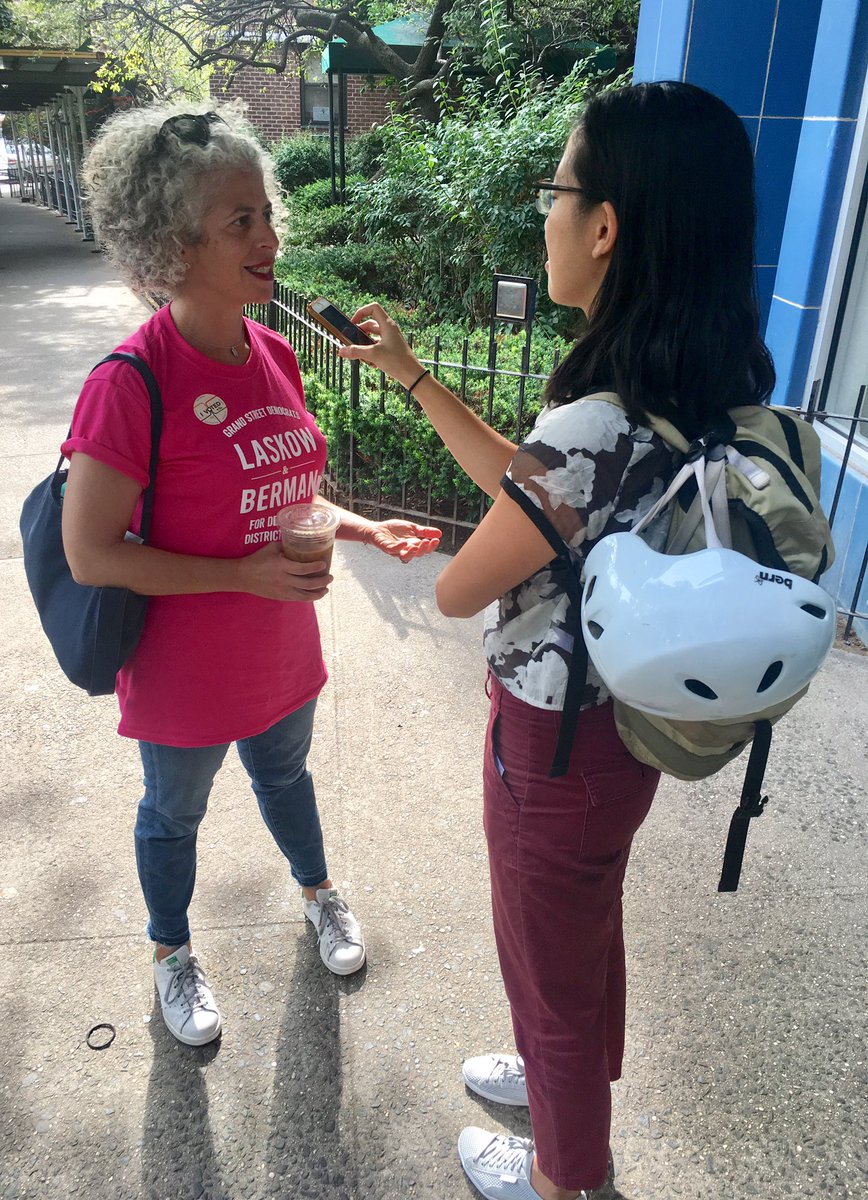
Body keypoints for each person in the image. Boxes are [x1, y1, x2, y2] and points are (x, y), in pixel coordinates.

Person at [337, 82, 776, 1200]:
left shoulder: (594, 422)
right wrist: (417, 380)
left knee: (548, 968)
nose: (546, 213)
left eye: (557, 188)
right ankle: (557, 1075)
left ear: (607, 226)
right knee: (579, 937)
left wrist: (388, 537)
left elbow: (463, 586)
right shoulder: (696, 394)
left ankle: (563, 1176)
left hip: (551, 746)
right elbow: (536, 493)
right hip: (620, 737)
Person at [61, 103, 441, 1048]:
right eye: (241, 221)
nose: (270, 236)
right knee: (172, 816)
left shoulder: (274, 353)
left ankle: (316, 893)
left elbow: (289, 496)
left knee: (288, 778)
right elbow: (92, 553)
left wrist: (358, 525)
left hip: (282, 651)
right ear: (171, 245)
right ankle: (171, 956)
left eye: (266, 212)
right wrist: (245, 579)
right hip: (186, 673)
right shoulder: (130, 382)